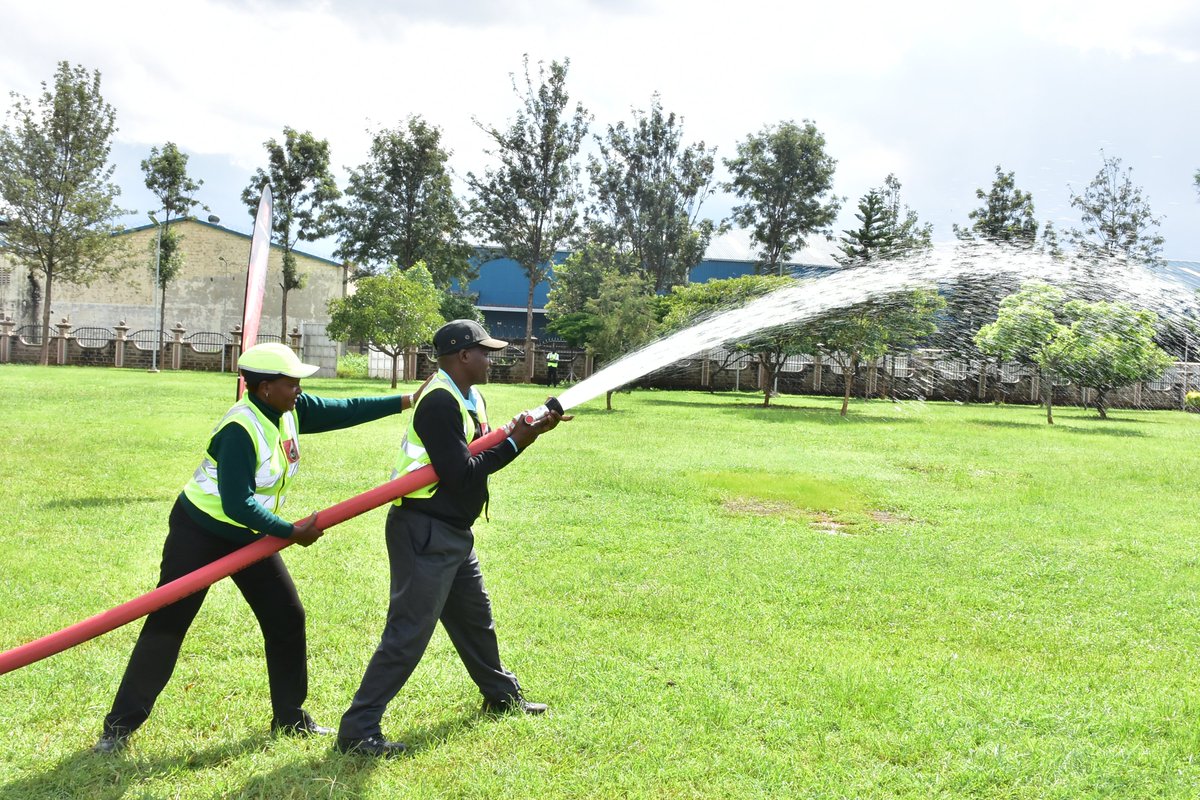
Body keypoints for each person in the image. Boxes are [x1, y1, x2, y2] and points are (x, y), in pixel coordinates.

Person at [93, 343, 426, 754]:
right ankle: (118, 729)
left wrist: (406, 400)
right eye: (293, 384)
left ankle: (289, 718)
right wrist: (289, 532)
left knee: (287, 618)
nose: (300, 390)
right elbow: (237, 503)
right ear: (265, 387)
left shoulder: (287, 411)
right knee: (169, 624)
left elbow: (343, 409)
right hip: (200, 532)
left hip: (248, 535)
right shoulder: (241, 428)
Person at [336, 320, 566, 758]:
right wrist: (518, 443)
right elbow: (460, 474)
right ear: (463, 356)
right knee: (409, 632)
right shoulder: (439, 402)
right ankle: (358, 729)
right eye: (485, 352)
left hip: (452, 532)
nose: (491, 359)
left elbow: (481, 448)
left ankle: (501, 697)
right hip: (425, 530)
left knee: (475, 618)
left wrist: (524, 434)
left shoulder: (469, 395)